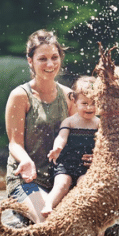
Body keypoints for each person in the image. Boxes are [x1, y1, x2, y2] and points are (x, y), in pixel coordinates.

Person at [5, 29, 77, 236]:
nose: (49, 64)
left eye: (54, 58)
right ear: (30, 61)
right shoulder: (20, 96)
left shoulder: (68, 97)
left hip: (60, 180)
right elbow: (14, 143)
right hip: (26, 180)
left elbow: (76, 141)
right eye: (42, 58)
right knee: (49, 218)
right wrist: (25, 161)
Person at [41, 76, 100, 217]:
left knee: (84, 184)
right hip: (67, 163)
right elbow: (62, 137)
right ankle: (48, 205)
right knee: (62, 184)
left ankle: (79, 210)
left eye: (94, 103)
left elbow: (102, 144)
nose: (89, 107)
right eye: (84, 103)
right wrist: (57, 149)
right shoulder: (70, 122)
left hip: (86, 166)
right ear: (74, 101)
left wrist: (98, 156)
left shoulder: (99, 123)